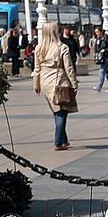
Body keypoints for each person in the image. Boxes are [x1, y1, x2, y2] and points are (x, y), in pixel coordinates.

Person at [32, 22, 77, 151]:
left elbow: (36, 68)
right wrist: (74, 83)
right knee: (61, 112)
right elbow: (68, 68)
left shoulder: (39, 48)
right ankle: (58, 141)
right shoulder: (62, 47)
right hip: (59, 82)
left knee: (56, 110)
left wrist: (36, 84)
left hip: (45, 83)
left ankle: (64, 140)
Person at [92, 27, 108, 92]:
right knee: (106, 73)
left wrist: (105, 50)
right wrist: (95, 53)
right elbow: (96, 48)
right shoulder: (97, 39)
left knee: (102, 71)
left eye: (97, 32)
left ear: (100, 32)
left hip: (106, 57)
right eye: (95, 32)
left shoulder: (105, 39)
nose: (96, 33)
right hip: (101, 57)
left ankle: (99, 87)